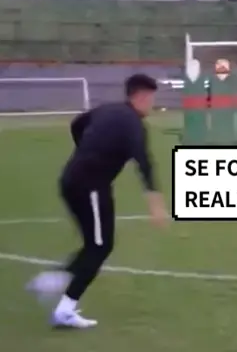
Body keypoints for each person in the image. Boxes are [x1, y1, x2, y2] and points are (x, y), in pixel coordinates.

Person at [26, 73, 168, 329]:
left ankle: (58, 288)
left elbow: (77, 124)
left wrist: (86, 150)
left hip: (70, 181)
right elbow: (144, 163)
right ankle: (59, 294)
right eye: (151, 98)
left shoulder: (106, 110)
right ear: (141, 96)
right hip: (90, 186)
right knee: (99, 247)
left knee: (95, 245)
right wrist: (155, 203)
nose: (152, 104)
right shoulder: (134, 125)